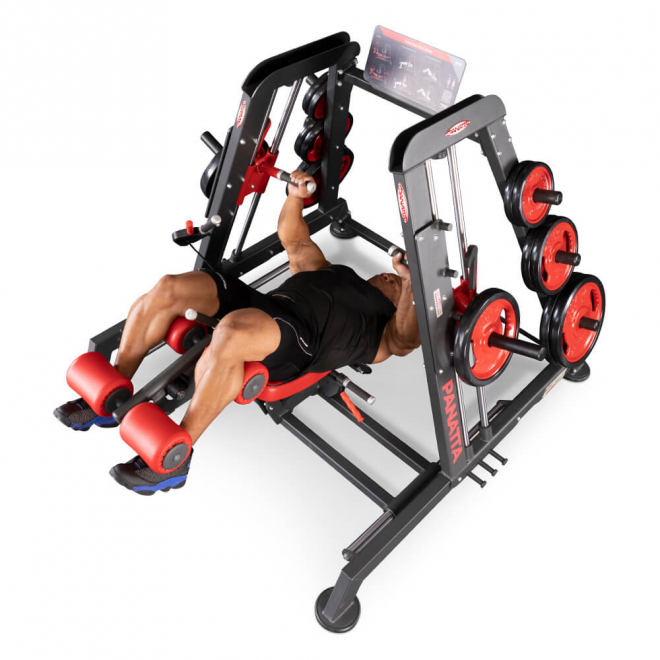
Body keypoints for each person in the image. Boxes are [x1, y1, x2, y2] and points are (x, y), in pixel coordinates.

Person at [54, 171, 421, 494]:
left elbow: (405, 340)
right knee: (168, 287)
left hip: (298, 341)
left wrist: (410, 283)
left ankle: (175, 457)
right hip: (265, 307)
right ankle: (109, 393)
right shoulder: (331, 270)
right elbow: (294, 239)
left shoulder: (384, 330)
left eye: (394, 282)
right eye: (390, 274)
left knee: (230, 332)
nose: (388, 276)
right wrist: (294, 197)